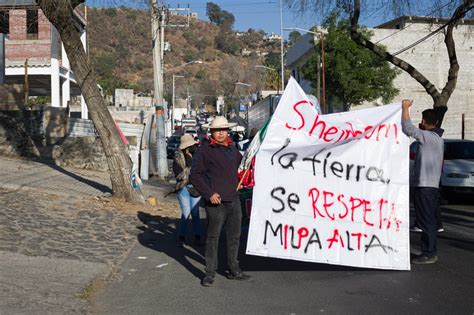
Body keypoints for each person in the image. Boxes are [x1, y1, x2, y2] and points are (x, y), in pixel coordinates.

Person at [190, 116, 252, 286]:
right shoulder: (204, 150)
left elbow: (242, 169)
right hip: (215, 202)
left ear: (228, 131)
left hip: (234, 200)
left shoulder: (232, 149)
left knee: (234, 237)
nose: (221, 133)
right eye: (217, 130)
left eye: (223, 130)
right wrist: (209, 193)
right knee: (212, 238)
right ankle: (209, 273)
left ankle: (234, 269)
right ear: (211, 132)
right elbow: (195, 175)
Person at [401, 100, 444, 264]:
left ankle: (429, 253)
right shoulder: (437, 139)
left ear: (424, 121)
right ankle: (430, 251)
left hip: (425, 186)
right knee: (428, 219)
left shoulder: (427, 137)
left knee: (426, 220)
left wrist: (405, 108)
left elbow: (408, 128)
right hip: (431, 186)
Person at [173, 134, 202, 247]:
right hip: (183, 187)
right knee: (186, 212)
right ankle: (181, 237)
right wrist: (190, 166)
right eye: (192, 145)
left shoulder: (198, 156)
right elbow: (179, 175)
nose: (195, 146)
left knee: (195, 213)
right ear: (187, 147)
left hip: (196, 188)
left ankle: (198, 236)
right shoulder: (178, 158)